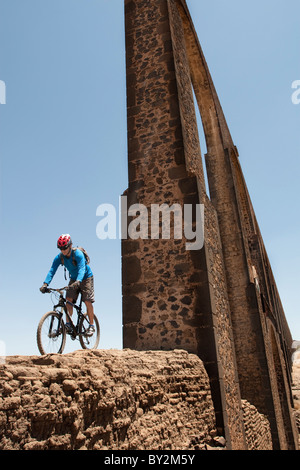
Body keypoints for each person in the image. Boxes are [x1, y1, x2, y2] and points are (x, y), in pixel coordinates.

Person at [40, 234, 95, 335]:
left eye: (65, 248)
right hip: (74, 278)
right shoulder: (59, 257)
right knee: (68, 301)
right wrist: (45, 284)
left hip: (86, 277)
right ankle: (68, 324)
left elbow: (82, 268)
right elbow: (52, 270)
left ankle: (91, 325)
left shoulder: (77, 254)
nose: (63, 250)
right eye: (60, 248)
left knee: (87, 300)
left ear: (70, 245)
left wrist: (78, 281)